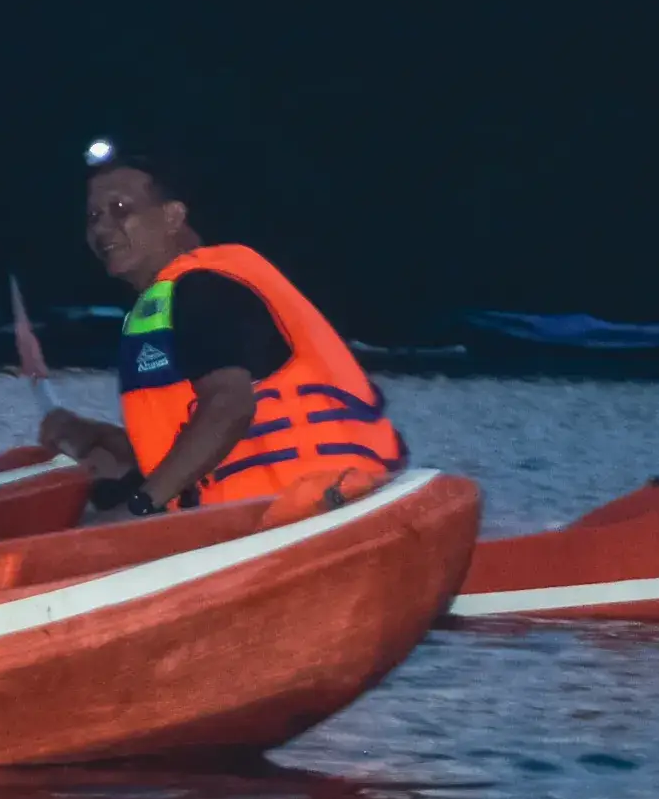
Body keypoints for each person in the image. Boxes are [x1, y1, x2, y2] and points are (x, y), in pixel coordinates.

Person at [33, 137, 404, 517]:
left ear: (172, 216)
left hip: (299, 508)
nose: (103, 228)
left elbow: (229, 407)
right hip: (304, 502)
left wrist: (141, 505)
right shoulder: (185, 294)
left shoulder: (202, 290)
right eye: (94, 217)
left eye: (121, 209)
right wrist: (97, 436)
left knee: (104, 525)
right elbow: (201, 450)